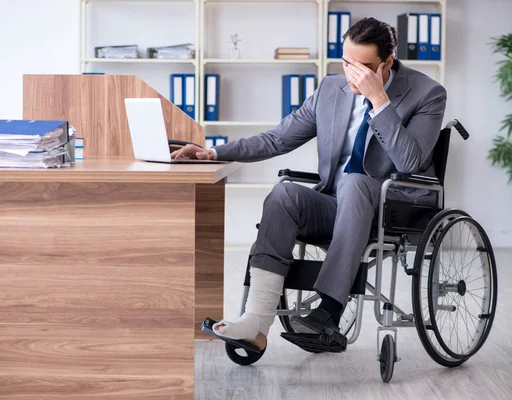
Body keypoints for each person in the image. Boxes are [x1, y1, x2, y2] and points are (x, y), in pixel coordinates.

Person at [172, 17, 446, 351]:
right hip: (337, 204)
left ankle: (329, 310)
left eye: (365, 67)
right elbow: (278, 139)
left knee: (356, 181)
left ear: (387, 62)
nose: (353, 75)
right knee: (284, 193)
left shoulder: (427, 93)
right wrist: (211, 152)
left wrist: (380, 102)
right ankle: (256, 323)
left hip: (389, 208)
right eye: (347, 63)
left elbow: (409, 162)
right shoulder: (331, 89)